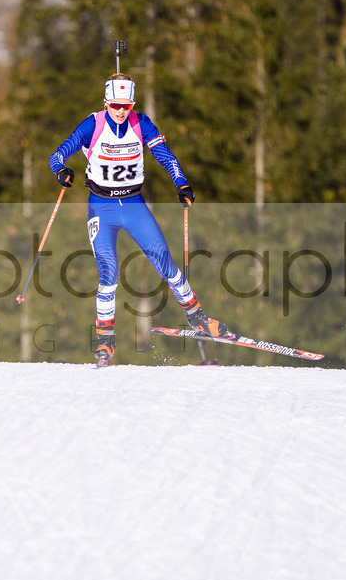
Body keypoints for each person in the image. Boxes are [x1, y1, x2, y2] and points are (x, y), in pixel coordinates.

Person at [48, 73, 232, 365]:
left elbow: (165, 155)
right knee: (108, 273)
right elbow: (57, 155)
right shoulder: (93, 124)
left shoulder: (140, 123)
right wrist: (61, 171)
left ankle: (198, 318)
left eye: (126, 105)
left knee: (165, 264)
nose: (121, 111)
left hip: (133, 205)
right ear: (106, 102)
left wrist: (181, 183)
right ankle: (106, 342)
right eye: (116, 105)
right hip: (101, 207)